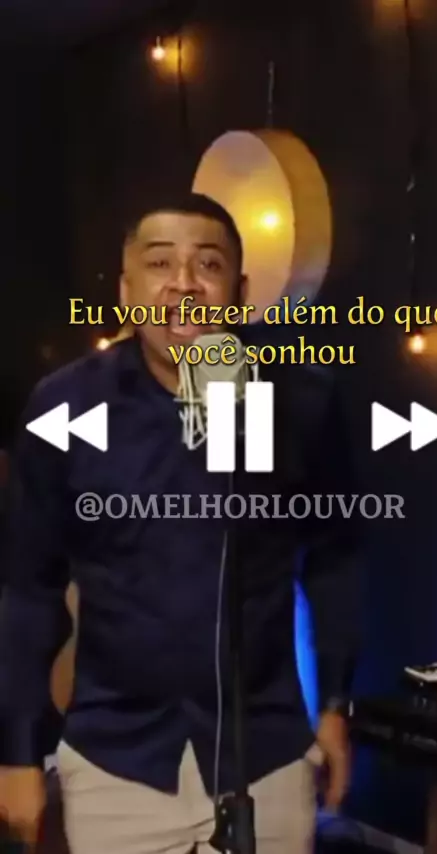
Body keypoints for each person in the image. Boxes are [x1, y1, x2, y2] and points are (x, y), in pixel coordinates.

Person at [0, 193, 363, 854]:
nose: (184, 284)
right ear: (126, 289)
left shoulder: (301, 401)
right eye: (160, 263)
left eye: (208, 265)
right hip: (118, 761)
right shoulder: (65, 405)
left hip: (266, 754)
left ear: (239, 292)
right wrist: (17, 752)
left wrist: (336, 704)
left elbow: (337, 555)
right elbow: (28, 587)